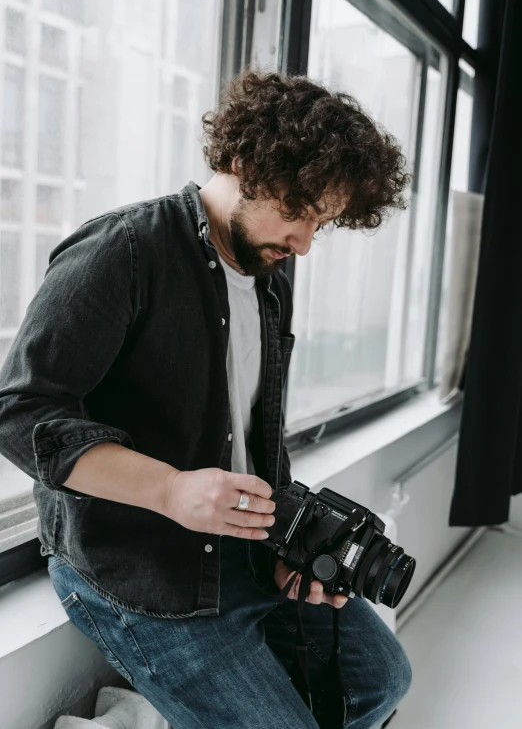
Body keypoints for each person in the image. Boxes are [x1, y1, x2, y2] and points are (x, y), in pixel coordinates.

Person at [0, 70, 412, 728]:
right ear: (245, 162)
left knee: (383, 679)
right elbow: (18, 410)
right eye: (300, 211)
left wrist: (289, 549)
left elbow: (256, 435)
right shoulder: (125, 250)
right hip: (142, 573)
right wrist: (169, 489)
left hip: (247, 553)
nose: (306, 241)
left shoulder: (270, 282)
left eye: (322, 223)